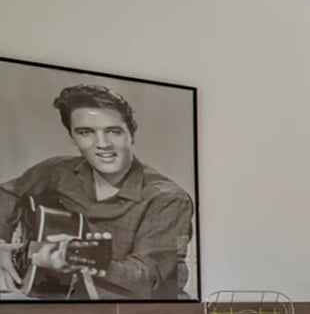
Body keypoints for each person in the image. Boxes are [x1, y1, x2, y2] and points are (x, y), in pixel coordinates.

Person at [0, 83, 194, 299]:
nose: (102, 144)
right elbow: (7, 194)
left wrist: (78, 258)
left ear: (131, 134)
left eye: (113, 131)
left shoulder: (167, 199)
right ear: (73, 138)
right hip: (53, 299)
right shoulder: (56, 172)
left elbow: (147, 279)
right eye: (86, 133)